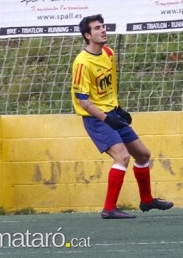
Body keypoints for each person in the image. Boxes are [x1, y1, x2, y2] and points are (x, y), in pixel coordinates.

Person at [71, 14, 173, 219]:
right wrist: (107, 119)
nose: (103, 30)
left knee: (143, 154)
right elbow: (84, 101)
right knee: (122, 157)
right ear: (87, 35)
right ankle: (109, 209)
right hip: (96, 118)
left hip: (112, 112)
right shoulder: (82, 63)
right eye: (97, 28)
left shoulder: (108, 53)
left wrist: (118, 109)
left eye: (103, 26)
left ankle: (146, 200)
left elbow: (109, 87)